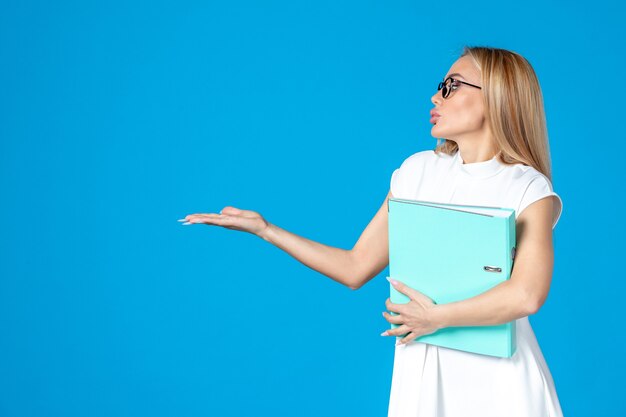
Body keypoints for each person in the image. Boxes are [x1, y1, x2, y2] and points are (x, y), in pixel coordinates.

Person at [179, 45, 564, 417]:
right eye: (439, 85)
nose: (435, 97)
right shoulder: (417, 172)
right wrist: (264, 229)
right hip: (423, 369)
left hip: (499, 381)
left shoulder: (527, 188)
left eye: (451, 86)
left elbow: (527, 294)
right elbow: (356, 265)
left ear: (496, 97)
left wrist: (437, 317)